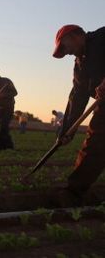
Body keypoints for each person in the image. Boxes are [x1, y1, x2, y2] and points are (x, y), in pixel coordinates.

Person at [52, 24, 105, 203]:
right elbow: (78, 96)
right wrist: (67, 130)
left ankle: (74, 191)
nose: (66, 52)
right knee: (95, 140)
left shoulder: (101, 37)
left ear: (76, 36)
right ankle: (75, 191)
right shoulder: (80, 65)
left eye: (65, 46)